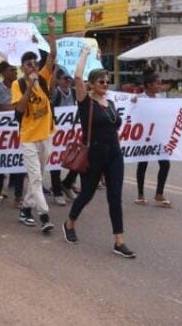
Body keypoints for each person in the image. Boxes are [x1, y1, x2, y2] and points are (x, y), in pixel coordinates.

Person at [61, 50, 134, 257]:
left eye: (107, 81)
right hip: (93, 155)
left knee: (115, 197)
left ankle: (119, 241)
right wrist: (83, 53)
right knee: (87, 194)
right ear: (91, 84)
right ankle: (69, 223)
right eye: (101, 81)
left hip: (114, 155)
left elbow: (114, 125)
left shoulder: (110, 104)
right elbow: (77, 76)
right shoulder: (85, 103)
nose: (105, 84)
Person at [10, 16, 57, 233]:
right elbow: (19, 108)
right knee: (36, 177)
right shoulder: (17, 84)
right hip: (28, 137)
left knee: (36, 176)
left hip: (46, 135)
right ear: (22, 67)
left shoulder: (44, 78)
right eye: (28, 64)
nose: (32, 67)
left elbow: (53, 56)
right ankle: (44, 216)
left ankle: (25, 210)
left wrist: (51, 30)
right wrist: (29, 85)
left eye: (34, 63)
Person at [0, 39, 26, 206]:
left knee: (18, 160)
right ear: (3, 73)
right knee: (1, 160)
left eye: (16, 69)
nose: (15, 71)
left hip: (19, 128)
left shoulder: (21, 86)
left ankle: (18, 196)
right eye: (11, 69)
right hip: (1, 130)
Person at [134, 69, 172, 207]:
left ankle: (159, 194)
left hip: (159, 137)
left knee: (165, 164)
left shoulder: (162, 98)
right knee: (143, 164)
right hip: (144, 138)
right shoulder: (139, 99)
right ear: (149, 85)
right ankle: (140, 195)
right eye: (157, 83)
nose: (160, 86)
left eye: (161, 83)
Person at [49, 69, 79, 206]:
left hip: (71, 134)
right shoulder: (56, 93)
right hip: (56, 133)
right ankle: (57, 192)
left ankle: (67, 184)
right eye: (65, 79)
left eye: (69, 79)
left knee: (78, 159)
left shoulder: (73, 92)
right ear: (58, 80)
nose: (68, 81)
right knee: (55, 162)